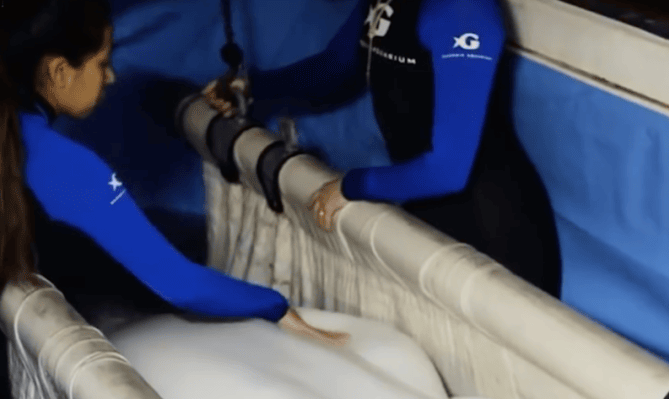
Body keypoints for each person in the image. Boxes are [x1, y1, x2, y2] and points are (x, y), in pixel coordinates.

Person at [0, 0, 346, 346]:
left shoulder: (22, 141)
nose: (111, 76)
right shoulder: (64, 164)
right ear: (60, 72)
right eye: (102, 63)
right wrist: (276, 306)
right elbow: (181, 284)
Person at [204, 0, 563, 298]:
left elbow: (448, 169)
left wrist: (352, 186)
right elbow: (333, 68)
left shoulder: (463, 11)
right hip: (428, 210)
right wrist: (252, 87)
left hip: (497, 232)